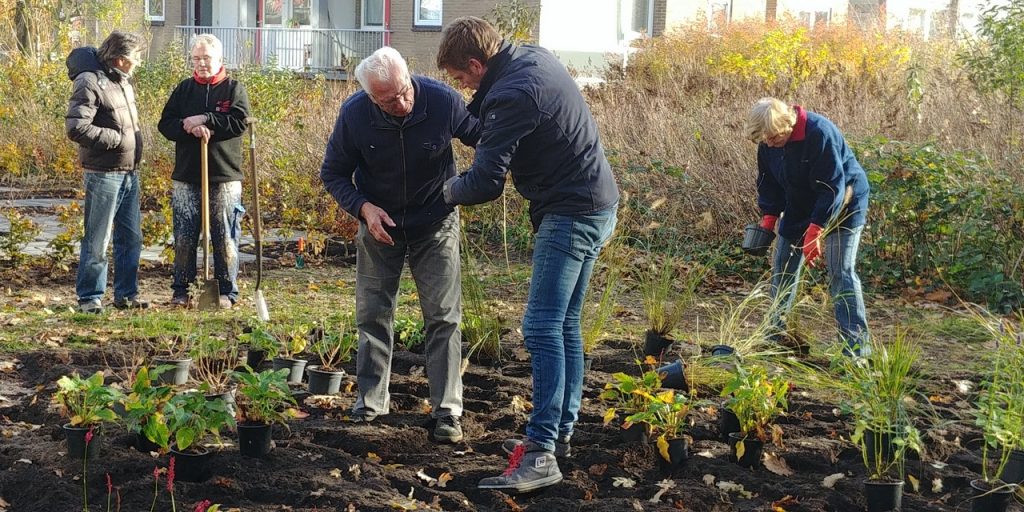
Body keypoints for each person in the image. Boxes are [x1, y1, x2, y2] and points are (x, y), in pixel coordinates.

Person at [437, 17, 619, 492]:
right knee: (565, 325)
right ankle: (559, 434)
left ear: (476, 64)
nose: (461, 85)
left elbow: (485, 183)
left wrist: (445, 191)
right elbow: (497, 127)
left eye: (460, 78)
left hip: (571, 211)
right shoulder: (529, 57)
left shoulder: (514, 93)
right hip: (597, 203)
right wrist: (467, 124)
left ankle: (540, 454)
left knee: (539, 326)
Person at [320, 47, 479, 443]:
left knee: (443, 317)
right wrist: (363, 208)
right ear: (372, 98)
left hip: (435, 222)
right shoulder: (355, 115)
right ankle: (371, 403)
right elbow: (333, 172)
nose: (403, 103)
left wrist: (465, 188)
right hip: (380, 226)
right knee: (373, 314)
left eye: (405, 91)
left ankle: (447, 411)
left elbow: (485, 138)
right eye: (389, 100)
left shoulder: (442, 100)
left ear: (410, 77)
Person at [744, 97, 871, 357]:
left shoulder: (819, 133)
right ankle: (774, 337)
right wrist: (769, 216)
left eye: (774, 139)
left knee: (840, 272)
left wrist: (816, 230)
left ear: (788, 124)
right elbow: (767, 181)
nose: (769, 144)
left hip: (844, 204)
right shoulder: (769, 141)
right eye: (764, 140)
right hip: (799, 205)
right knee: (783, 269)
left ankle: (856, 349)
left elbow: (833, 188)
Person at [158, 34, 250, 308]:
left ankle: (227, 291)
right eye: (196, 59)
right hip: (187, 175)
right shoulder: (184, 90)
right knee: (185, 236)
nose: (201, 64)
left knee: (225, 237)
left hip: (224, 175)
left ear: (219, 59)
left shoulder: (233, 89)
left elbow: (239, 122)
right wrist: (189, 127)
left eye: (206, 59)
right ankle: (181, 290)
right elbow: (166, 124)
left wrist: (208, 119)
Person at [65, 31, 149, 314]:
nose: (138, 62)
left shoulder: (121, 81)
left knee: (131, 238)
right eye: (136, 57)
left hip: (129, 171)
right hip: (103, 173)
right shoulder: (89, 81)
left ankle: (126, 295)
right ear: (122, 59)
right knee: (98, 238)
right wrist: (114, 140)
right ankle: (90, 298)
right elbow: (76, 127)